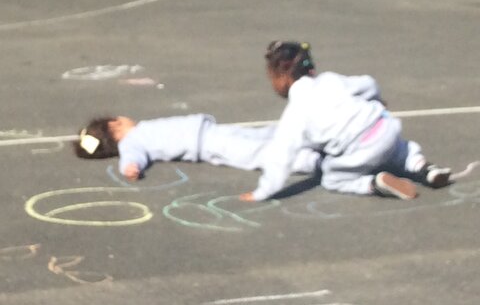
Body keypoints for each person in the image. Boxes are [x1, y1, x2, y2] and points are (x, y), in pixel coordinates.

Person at [240, 40, 451, 202]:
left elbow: (281, 158)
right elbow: (369, 83)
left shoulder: (294, 113)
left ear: (283, 75)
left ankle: (374, 183)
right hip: (384, 128)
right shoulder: (330, 80)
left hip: (362, 150)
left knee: (332, 177)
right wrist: (377, 99)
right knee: (402, 151)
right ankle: (425, 168)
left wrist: (262, 192)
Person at [73, 113, 321, 181]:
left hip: (211, 133)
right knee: (258, 152)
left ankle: (314, 139)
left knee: (260, 137)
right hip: (209, 142)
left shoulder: (139, 132)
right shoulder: (131, 142)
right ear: (114, 125)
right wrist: (130, 167)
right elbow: (131, 157)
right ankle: (317, 159)